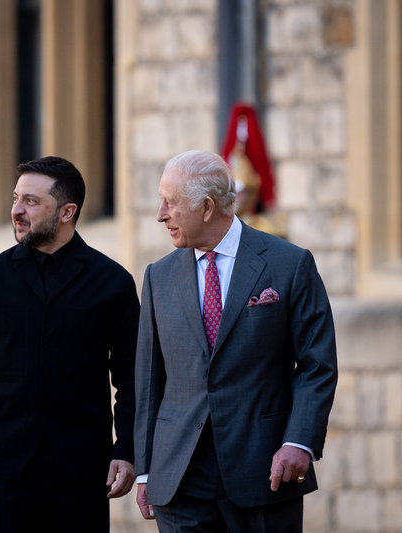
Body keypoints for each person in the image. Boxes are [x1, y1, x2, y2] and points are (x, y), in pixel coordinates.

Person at [133, 150, 338, 532]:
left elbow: (317, 364)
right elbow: (148, 382)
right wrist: (145, 469)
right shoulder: (157, 277)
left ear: (207, 207)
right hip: (179, 478)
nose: (160, 215)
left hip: (263, 471)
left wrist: (300, 441)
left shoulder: (289, 264)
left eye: (170, 203)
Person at [0, 156, 140, 532]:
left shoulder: (113, 283)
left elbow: (131, 378)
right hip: (5, 471)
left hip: (83, 471)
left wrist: (127, 450)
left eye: (31, 201)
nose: (17, 210)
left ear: (67, 211)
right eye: (16, 198)